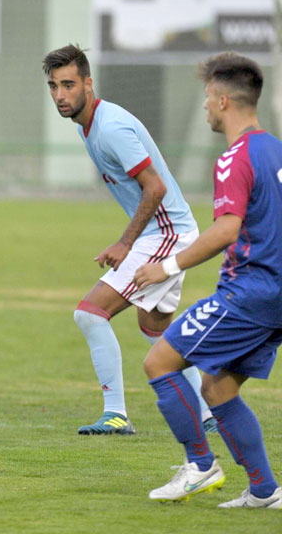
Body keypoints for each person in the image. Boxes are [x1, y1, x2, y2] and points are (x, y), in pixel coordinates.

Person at [135, 52, 282, 508]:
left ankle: (199, 465)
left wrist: (166, 267)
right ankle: (265, 491)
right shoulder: (276, 149)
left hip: (249, 293)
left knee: (159, 363)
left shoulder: (235, 158)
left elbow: (226, 229)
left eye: (206, 97)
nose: (204, 106)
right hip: (275, 296)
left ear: (223, 101)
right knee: (218, 387)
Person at [43, 44, 214, 435]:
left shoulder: (111, 128)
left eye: (69, 85)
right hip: (168, 231)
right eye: (53, 86)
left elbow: (154, 188)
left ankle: (116, 414)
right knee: (156, 330)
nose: (60, 95)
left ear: (88, 83)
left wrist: (125, 243)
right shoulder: (88, 126)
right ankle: (209, 413)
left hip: (168, 233)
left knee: (90, 313)